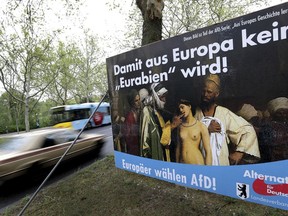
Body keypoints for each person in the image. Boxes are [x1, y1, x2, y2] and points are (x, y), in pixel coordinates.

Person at [194, 74, 261, 165]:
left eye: (209, 92)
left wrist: (239, 153)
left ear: (216, 94)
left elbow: (247, 130)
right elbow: (186, 136)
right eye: (204, 91)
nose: (205, 95)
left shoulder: (223, 113)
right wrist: (205, 129)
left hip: (221, 163)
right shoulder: (195, 113)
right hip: (200, 164)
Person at [140, 82, 181, 161]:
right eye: (162, 97)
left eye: (165, 97)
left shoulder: (159, 111)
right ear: (156, 96)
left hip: (164, 153)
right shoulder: (147, 111)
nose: (165, 100)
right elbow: (146, 139)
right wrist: (172, 126)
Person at [175, 99, 212, 165]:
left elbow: (208, 151)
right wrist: (177, 166)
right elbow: (178, 148)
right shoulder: (180, 127)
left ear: (189, 106)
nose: (181, 110)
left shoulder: (201, 126)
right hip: (183, 164)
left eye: (182, 107)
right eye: (179, 108)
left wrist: (207, 171)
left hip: (197, 163)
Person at [122, 89, 142, 156]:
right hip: (134, 151)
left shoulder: (139, 112)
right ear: (131, 102)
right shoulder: (129, 117)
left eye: (139, 99)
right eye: (136, 100)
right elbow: (128, 138)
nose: (139, 102)